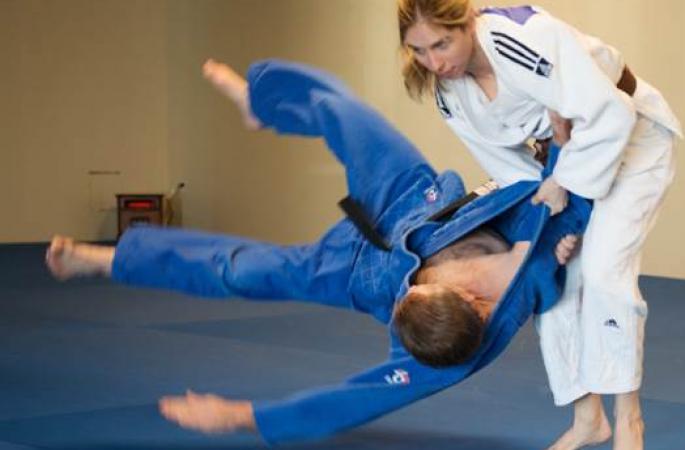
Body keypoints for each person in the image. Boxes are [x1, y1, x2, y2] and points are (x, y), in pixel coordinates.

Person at [45, 58, 590, 445]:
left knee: (240, 272)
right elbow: (568, 203)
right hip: (410, 206)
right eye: (422, 291)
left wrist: (243, 417)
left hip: (353, 273)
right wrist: (560, 151)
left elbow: (355, 399)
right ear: (467, 295)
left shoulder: (447, 356)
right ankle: (262, 102)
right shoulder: (524, 267)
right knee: (349, 116)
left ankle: (104, 260)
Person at [397, 2, 683, 450]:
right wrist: (549, 227)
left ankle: (630, 422)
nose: (435, 63)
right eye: (419, 51)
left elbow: (613, 115)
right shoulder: (447, 94)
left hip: (634, 141)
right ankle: (588, 419)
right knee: (550, 284)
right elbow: (514, 175)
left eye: (441, 44)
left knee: (607, 272)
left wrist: (564, 174)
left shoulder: (521, 36)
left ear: (465, 22)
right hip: (565, 164)